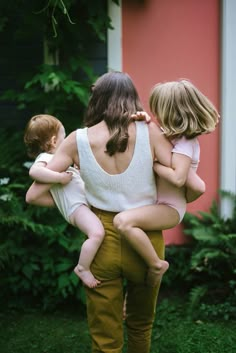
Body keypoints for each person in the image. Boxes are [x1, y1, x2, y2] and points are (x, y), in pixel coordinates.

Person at [113, 79, 219, 287]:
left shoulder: (186, 142)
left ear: (173, 112)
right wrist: (146, 122)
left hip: (169, 208)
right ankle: (140, 281)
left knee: (123, 221)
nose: (156, 116)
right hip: (159, 203)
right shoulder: (174, 137)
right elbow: (156, 137)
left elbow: (179, 177)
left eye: (158, 111)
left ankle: (157, 264)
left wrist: (155, 165)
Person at [24, 114, 105, 288]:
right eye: (64, 136)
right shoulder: (46, 159)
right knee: (97, 233)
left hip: (79, 205)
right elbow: (34, 172)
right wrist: (60, 178)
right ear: (54, 141)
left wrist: (59, 200)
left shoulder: (61, 161)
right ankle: (82, 268)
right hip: (77, 208)